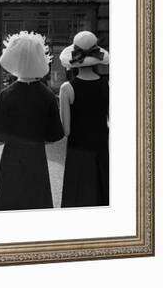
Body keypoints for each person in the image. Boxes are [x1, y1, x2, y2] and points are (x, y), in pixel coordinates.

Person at [0, 31, 64, 211]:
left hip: (11, 158)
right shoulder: (47, 95)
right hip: (36, 157)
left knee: (9, 206)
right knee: (36, 205)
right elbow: (54, 135)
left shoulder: (6, 95)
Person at [59, 31, 110, 207]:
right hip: (101, 147)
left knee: (77, 198)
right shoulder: (108, 85)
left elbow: (66, 130)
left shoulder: (67, 88)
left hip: (78, 150)